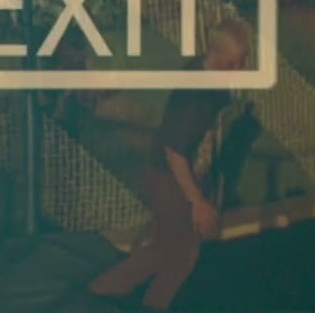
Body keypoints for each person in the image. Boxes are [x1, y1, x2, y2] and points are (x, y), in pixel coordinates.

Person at [86, 19, 253, 312]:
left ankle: (113, 293)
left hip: (170, 169)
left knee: (172, 249)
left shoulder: (204, 71)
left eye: (242, 62)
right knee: (181, 252)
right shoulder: (197, 98)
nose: (238, 70)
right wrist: (197, 202)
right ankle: (108, 292)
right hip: (167, 174)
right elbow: (174, 152)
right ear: (214, 53)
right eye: (232, 63)